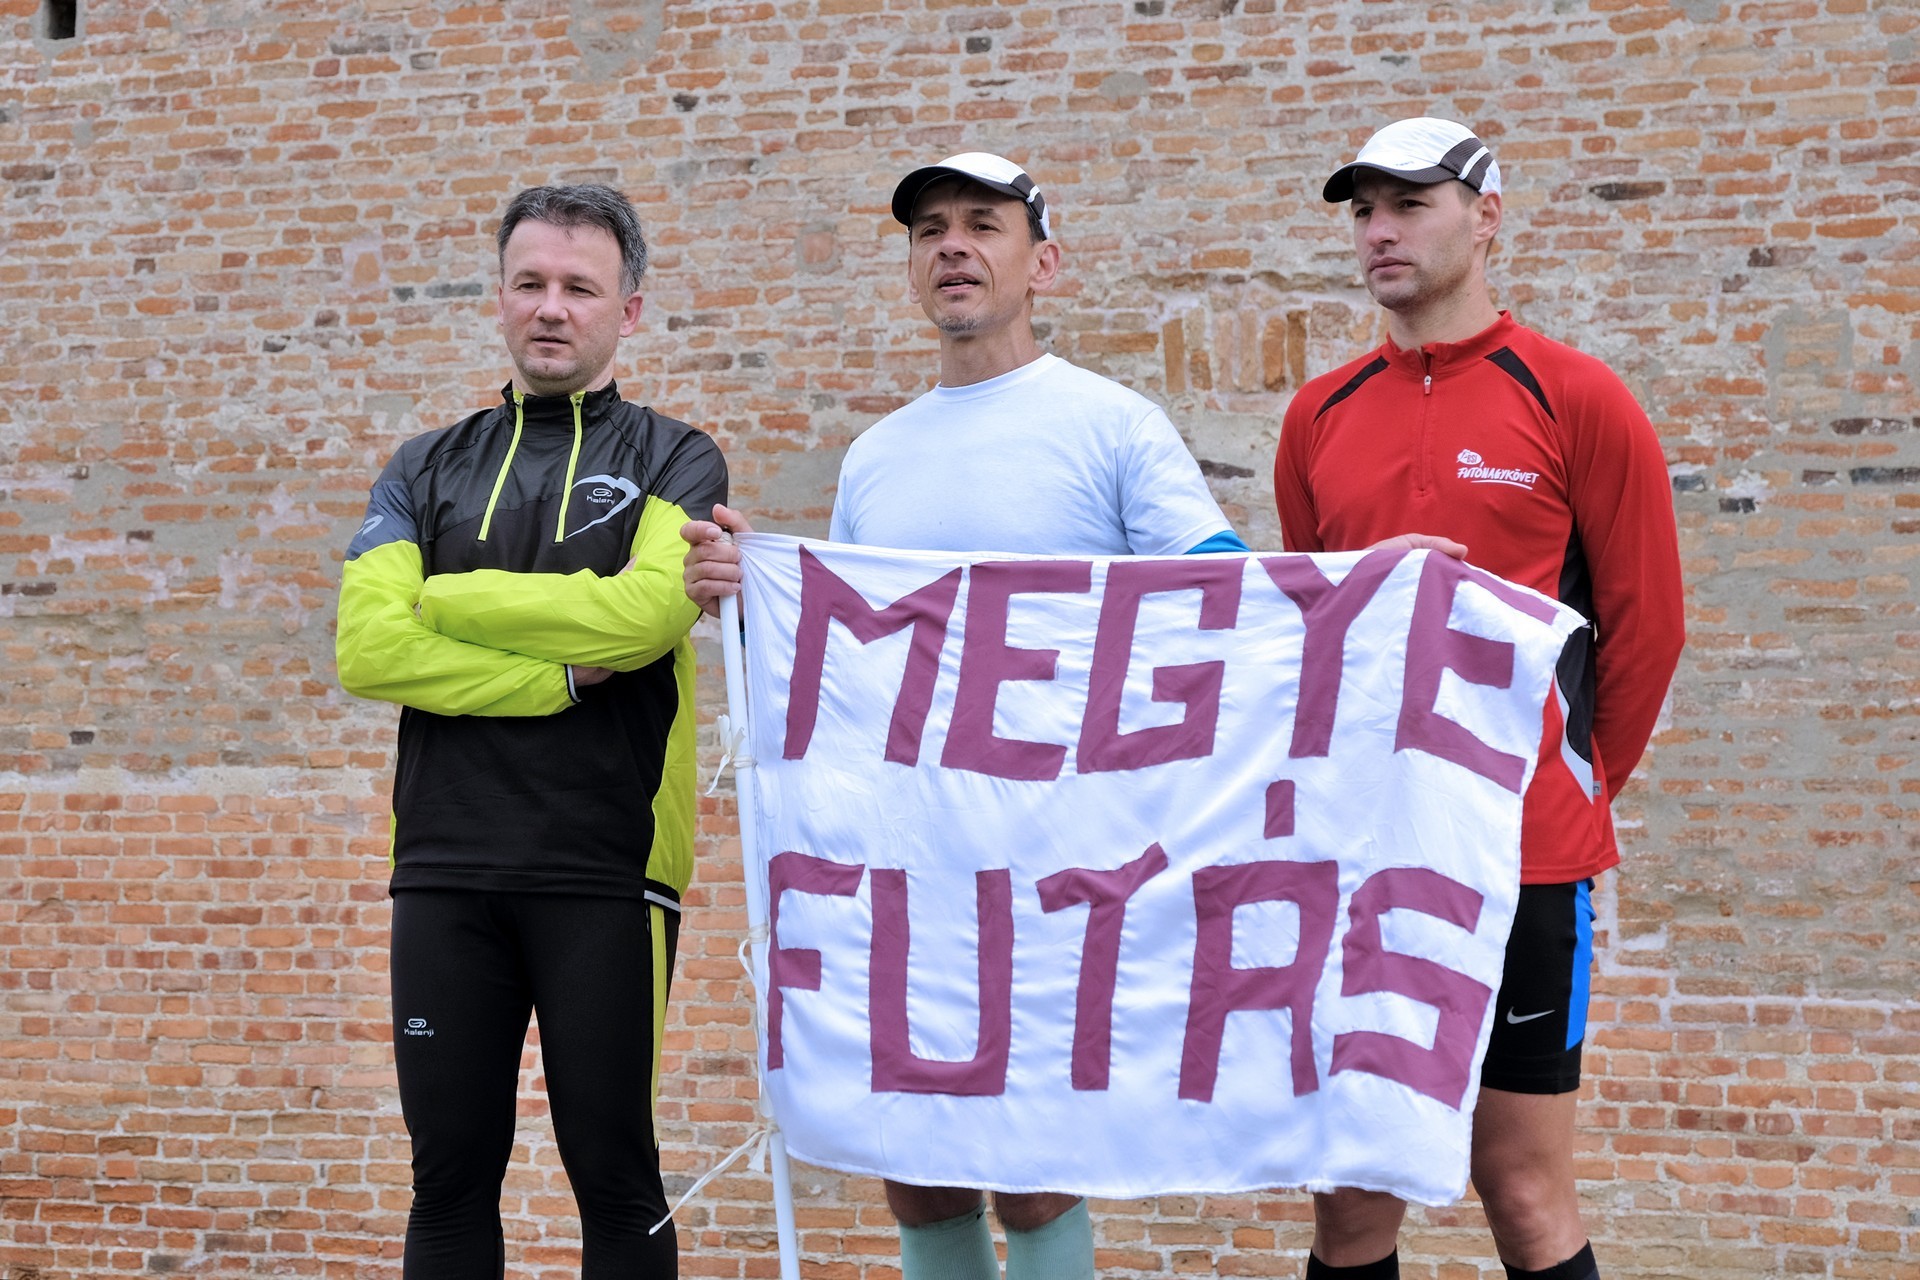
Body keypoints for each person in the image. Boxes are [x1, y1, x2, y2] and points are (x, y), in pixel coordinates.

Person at [682, 152, 1248, 1280]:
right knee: (917, 1156)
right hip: (911, 861)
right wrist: (745, 605)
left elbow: (1233, 606)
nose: (952, 245)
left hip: (1056, 863)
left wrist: (1369, 590)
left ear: (1044, 263)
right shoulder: (877, 456)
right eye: (930, 228)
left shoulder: (1113, 424)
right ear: (909, 269)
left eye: (983, 224)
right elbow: (850, 664)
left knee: (1031, 1160)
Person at [1272, 118, 1685, 1280]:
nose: (1379, 230)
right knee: (1354, 1204)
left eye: (1409, 203)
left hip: (1526, 857)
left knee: (1524, 1191)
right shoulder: (1317, 414)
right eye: (1364, 209)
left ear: (1486, 215)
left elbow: (1648, 627)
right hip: (1368, 859)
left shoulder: (1576, 395)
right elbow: (1313, 632)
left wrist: (1565, 787)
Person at [335, 184, 727, 1278]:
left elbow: (645, 615)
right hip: (444, 866)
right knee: (447, 1182)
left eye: (579, 288)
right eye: (531, 283)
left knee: (616, 1176)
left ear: (627, 311)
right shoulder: (422, 465)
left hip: (607, 868)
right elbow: (368, 648)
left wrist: (445, 599)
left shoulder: (678, 457)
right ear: (501, 298)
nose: (552, 307)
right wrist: (558, 675)